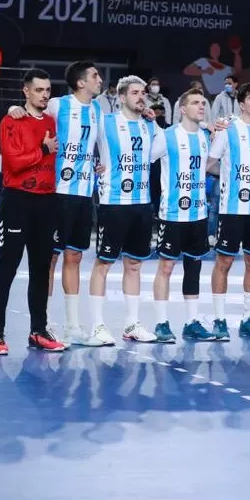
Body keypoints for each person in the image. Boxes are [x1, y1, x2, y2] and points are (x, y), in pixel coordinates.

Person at [9, 60, 104, 345]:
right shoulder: (59, 105)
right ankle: (43, 323)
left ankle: (73, 326)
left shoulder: (99, 108)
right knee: (49, 259)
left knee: (74, 257)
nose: (100, 80)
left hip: (84, 193)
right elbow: (30, 113)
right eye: (95, 76)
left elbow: (105, 141)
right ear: (81, 83)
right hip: (57, 192)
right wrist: (12, 109)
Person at [0, 69, 67, 355]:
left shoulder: (51, 121)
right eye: (39, 90)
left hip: (46, 201)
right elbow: (14, 162)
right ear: (26, 91)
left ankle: (38, 331)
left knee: (41, 269)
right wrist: (43, 150)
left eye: (47, 90)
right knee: (6, 267)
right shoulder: (11, 120)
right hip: (18, 200)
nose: (44, 94)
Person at [87, 75, 161, 345]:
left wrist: (156, 122)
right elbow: (80, 143)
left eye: (143, 93)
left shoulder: (149, 127)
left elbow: (167, 148)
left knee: (134, 265)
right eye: (135, 93)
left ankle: (132, 324)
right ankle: (96, 326)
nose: (141, 96)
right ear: (121, 97)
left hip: (142, 205)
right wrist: (93, 165)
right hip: (113, 203)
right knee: (103, 264)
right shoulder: (106, 124)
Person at [207, 83, 250, 340]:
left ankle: (248, 318)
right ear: (242, 104)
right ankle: (219, 320)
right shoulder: (228, 129)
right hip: (232, 208)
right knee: (223, 261)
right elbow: (209, 163)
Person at [149, 88, 216, 342]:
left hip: (198, 213)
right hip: (173, 212)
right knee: (166, 266)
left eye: (203, 103)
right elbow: (147, 160)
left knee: (194, 266)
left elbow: (210, 165)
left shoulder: (205, 137)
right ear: (183, 109)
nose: (202, 106)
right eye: (196, 103)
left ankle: (191, 322)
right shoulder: (167, 137)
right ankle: (161, 323)